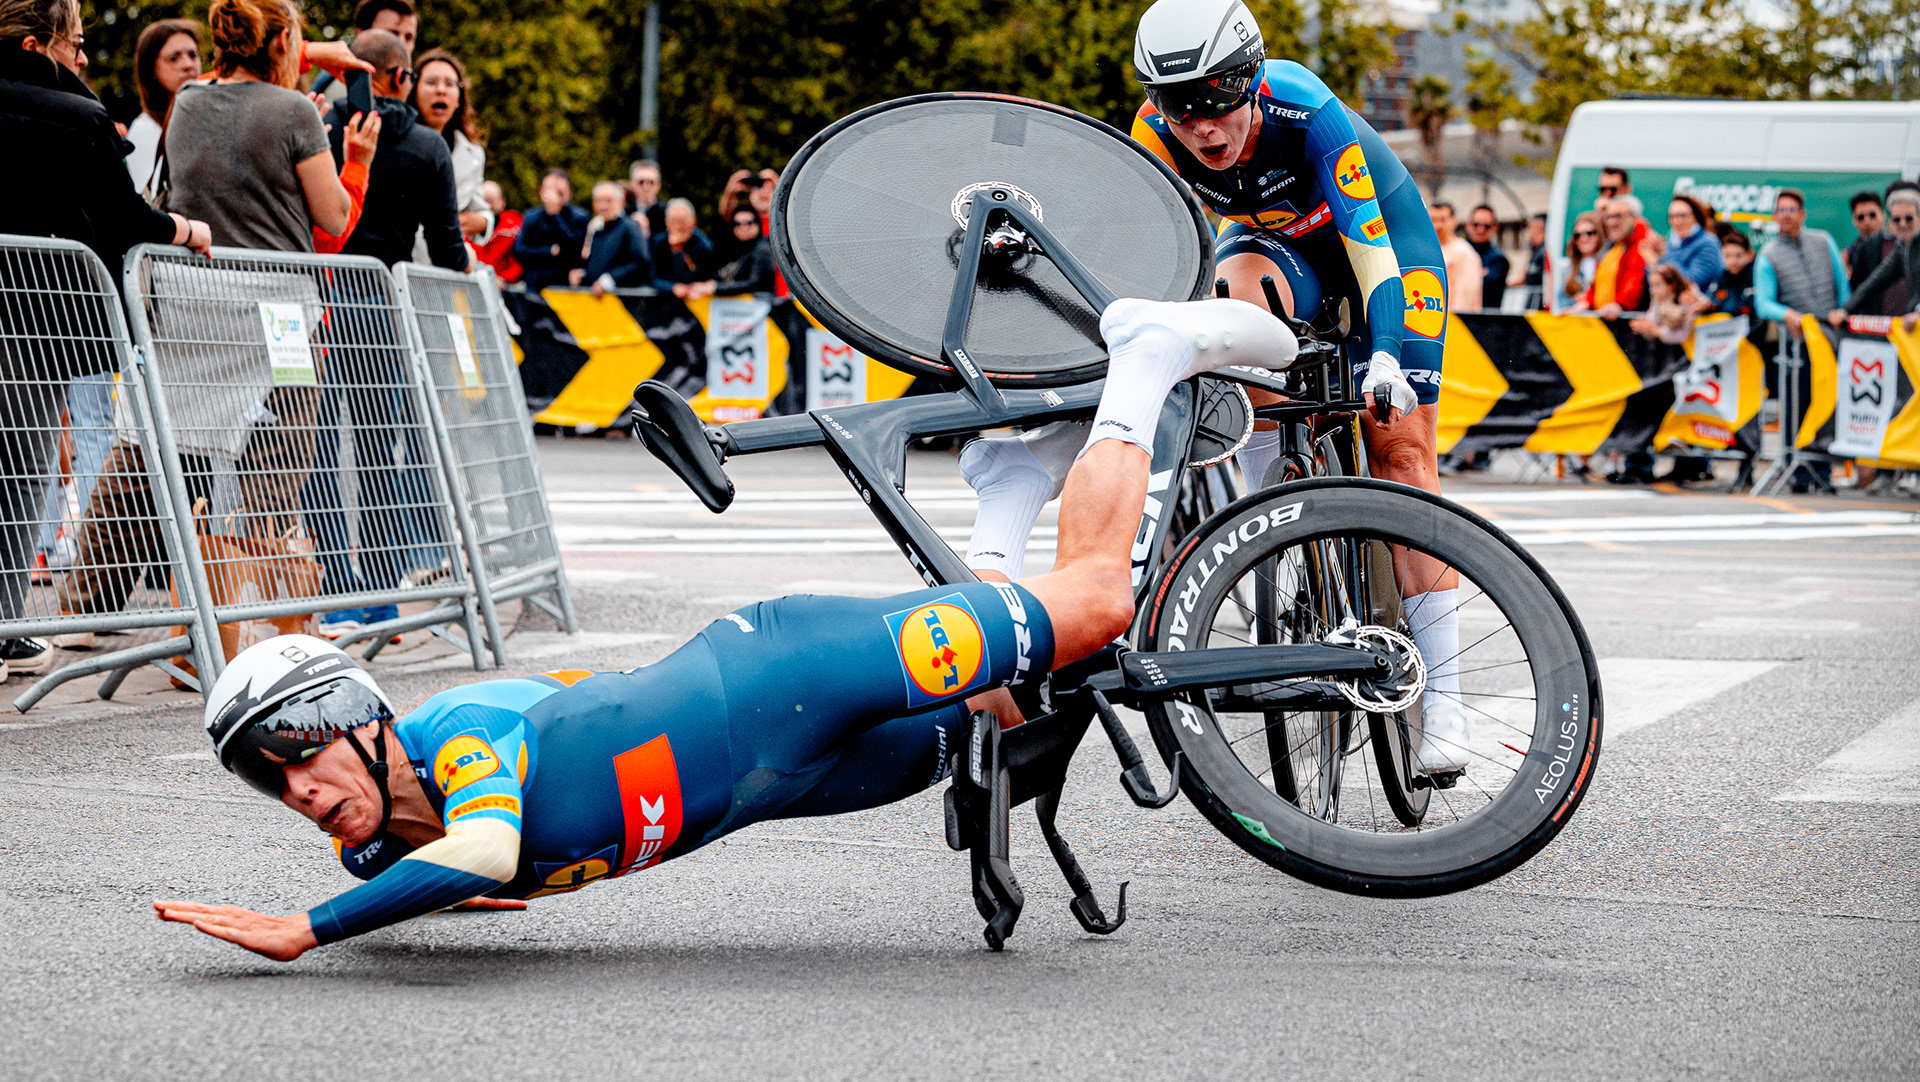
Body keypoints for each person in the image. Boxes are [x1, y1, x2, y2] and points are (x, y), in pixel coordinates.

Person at [151, 296, 1301, 961]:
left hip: (788, 671)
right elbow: (464, 863)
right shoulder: (376, 846)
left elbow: (492, 852)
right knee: (1018, 710)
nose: (299, 792)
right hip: (782, 781)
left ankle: (1144, 359)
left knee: (1097, 606)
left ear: (360, 720)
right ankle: (1005, 492)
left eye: (299, 755)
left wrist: (306, 929)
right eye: (272, 782)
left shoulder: (457, 738)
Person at [977, 0, 1465, 777]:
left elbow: (1370, 248)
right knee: (1229, 302)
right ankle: (1280, 529)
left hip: (1384, 247)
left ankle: (1447, 699)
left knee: (1400, 453)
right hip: (1277, 247)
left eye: (1217, 100)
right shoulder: (1154, 131)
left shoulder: (1303, 107)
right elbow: (1142, 250)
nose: (1202, 128)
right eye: (1180, 107)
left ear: (1252, 80)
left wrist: (1383, 357)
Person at [57, 0, 378, 646]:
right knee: (276, 459)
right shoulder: (293, 112)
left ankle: (85, 607)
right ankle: (254, 615)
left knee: (150, 446)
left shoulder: (188, 102)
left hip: (190, 298)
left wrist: (305, 53)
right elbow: (333, 215)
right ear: (281, 42)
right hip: (278, 311)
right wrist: (359, 159)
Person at [0, 0, 212, 677]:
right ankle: (4, 627)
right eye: (75, 41)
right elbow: (125, 218)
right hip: (38, 314)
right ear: (35, 45)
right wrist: (187, 229)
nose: (85, 57)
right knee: (21, 468)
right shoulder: (77, 114)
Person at [320, 31, 467, 272]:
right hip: (389, 287)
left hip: (322, 283)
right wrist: (468, 262)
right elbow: (446, 250)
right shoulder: (430, 145)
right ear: (399, 77)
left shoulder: (321, 126)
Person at [408, 49, 491, 262]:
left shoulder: (473, 154)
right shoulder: (396, 141)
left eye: (450, 84)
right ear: (413, 90)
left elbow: (479, 207)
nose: (441, 90)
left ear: (459, 98)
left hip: (446, 267)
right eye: (431, 82)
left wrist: (482, 222)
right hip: (402, 264)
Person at [1755, 188, 1849, 339]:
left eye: (1792, 209)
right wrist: (1787, 314)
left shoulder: (1824, 241)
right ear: (1774, 216)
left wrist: (1843, 311)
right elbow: (1763, 304)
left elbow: (1843, 285)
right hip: (1799, 341)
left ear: (1802, 214)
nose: (1786, 215)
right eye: (1781, 210)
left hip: (1835, 331)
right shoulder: (1767, 255)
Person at [126, 18, 201, 202]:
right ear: (152, 69)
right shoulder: (146, 129)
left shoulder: (206, 120)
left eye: (193, 55)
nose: (188, 64)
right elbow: (147, 204)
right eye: (174, 58)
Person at [1830, 187, 1917, 329]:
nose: (1903, 224)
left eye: (1909, 218)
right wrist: (1845, 310)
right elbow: (1876, 280)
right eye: (1897, 219)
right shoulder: (1902, 247)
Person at [513, 169, 589, 292]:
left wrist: (555, 215)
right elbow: (519, 250)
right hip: (535, 285)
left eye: (560, 192)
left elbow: (575, 251)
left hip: (564, 286)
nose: (554, 196)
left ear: (569, 193)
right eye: (549, 190)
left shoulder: (579, 217)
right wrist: (548, 251)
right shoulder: (532, 216)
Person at [570, 181, 650, 297]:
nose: (603, 206)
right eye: (598, 201)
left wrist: (609, 280)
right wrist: (583, 274)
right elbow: (599, 265)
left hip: (625, 299)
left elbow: (640, 261)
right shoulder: (597, 230)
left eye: (608, 200)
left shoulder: (630, 227)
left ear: (620, 202)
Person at [1586, 194, 1651, 317]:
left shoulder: (1643, 242)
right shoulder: (1614, 245)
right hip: (1606, 316)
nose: (1611, 222)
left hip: (1627, 319)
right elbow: (1596, 282)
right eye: (1609, 217)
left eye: (1618, 216)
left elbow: (1635, 279)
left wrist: (1620, 305)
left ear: (1634, 217)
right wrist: (1586, 303)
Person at [652, 198, 717, 298]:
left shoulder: (703, 246)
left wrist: (677, 250)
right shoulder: (658, 242)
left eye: (682, 221)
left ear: (693, 222)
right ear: (666, 223)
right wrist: (672, 287)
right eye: (673, 221)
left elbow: (692, 279)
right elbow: (652, 277)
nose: (677, 226)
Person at [1659, 193, 1723, 291]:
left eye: (1683, 216)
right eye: (1672, 216)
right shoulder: (1672, 243)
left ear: (1695, 216)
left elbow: (1692, 282)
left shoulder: (1708, 243)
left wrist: (1663, 255)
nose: (1677, 221)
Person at [1430, 201, 1483, 311]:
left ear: (1454, 221)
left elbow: (1465, 298)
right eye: (1433, 220)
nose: (1437, 225)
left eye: (1442, 220)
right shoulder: (1427, 251)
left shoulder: (1464, 252)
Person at [713, 207, 778, 295]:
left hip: (760, 301)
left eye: (749, 223)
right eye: (737, 224)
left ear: (757, 224)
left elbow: (754, 283)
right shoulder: (732, 248)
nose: (743, 228)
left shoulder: (763, 249)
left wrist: (716, 287)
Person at [1552, 210, 1603, 313]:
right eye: (1578, 235)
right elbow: (1562, 303)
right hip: (1577, 319)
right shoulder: (1568, 270)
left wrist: (1589, 301)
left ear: (1598, 235)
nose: (1584, 238)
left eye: (1589, 233)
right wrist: (1578, 302)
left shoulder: (1607, 263)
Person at [473, 180, 521, 282]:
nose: (488, 206)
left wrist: (503, 279)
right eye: (483, 201)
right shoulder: (470, 228)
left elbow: (521, 261)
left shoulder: (514, 228)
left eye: (491, 201)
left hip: (504, 285)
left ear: (502, 201)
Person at [1463, 204, 1507, 309]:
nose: (1480, 230)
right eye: (1476, 225)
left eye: (1486, 226)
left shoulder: (1499, 259)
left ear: (1494, 228)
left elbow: (1489, 284)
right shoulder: (1460, 251)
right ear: (1468, 226)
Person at [1706, 230, 1756, 318]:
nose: (1733, 261)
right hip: (1722, 325)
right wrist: (1705, 306)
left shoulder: (1755, 279)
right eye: (1728, 256)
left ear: (1750, 255)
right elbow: (1710, 302)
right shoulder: (1720, 279)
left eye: (1738, 256)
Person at [1845, 191, 1889, 290]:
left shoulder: (1895, 246)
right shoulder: (1849, 253)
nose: (1867, 221)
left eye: (1872, 215)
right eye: (1861, 217)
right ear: (1854, 221)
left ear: (1883, 215)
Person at [624, 158, 666, 241]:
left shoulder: (667, 212)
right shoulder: (624, 212)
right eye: (641, 182)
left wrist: (646, 231)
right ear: (631, 184)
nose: (646, 187)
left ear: (658, 185)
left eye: (651, 182)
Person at [1519, 212, 1547, 310]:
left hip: (1539, 307)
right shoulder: (1535, 251)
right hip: (1532, 305)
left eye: (1529, 226)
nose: (1526, 231)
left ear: (1538, 226)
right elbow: (1523, 277)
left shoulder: (1544, 253)